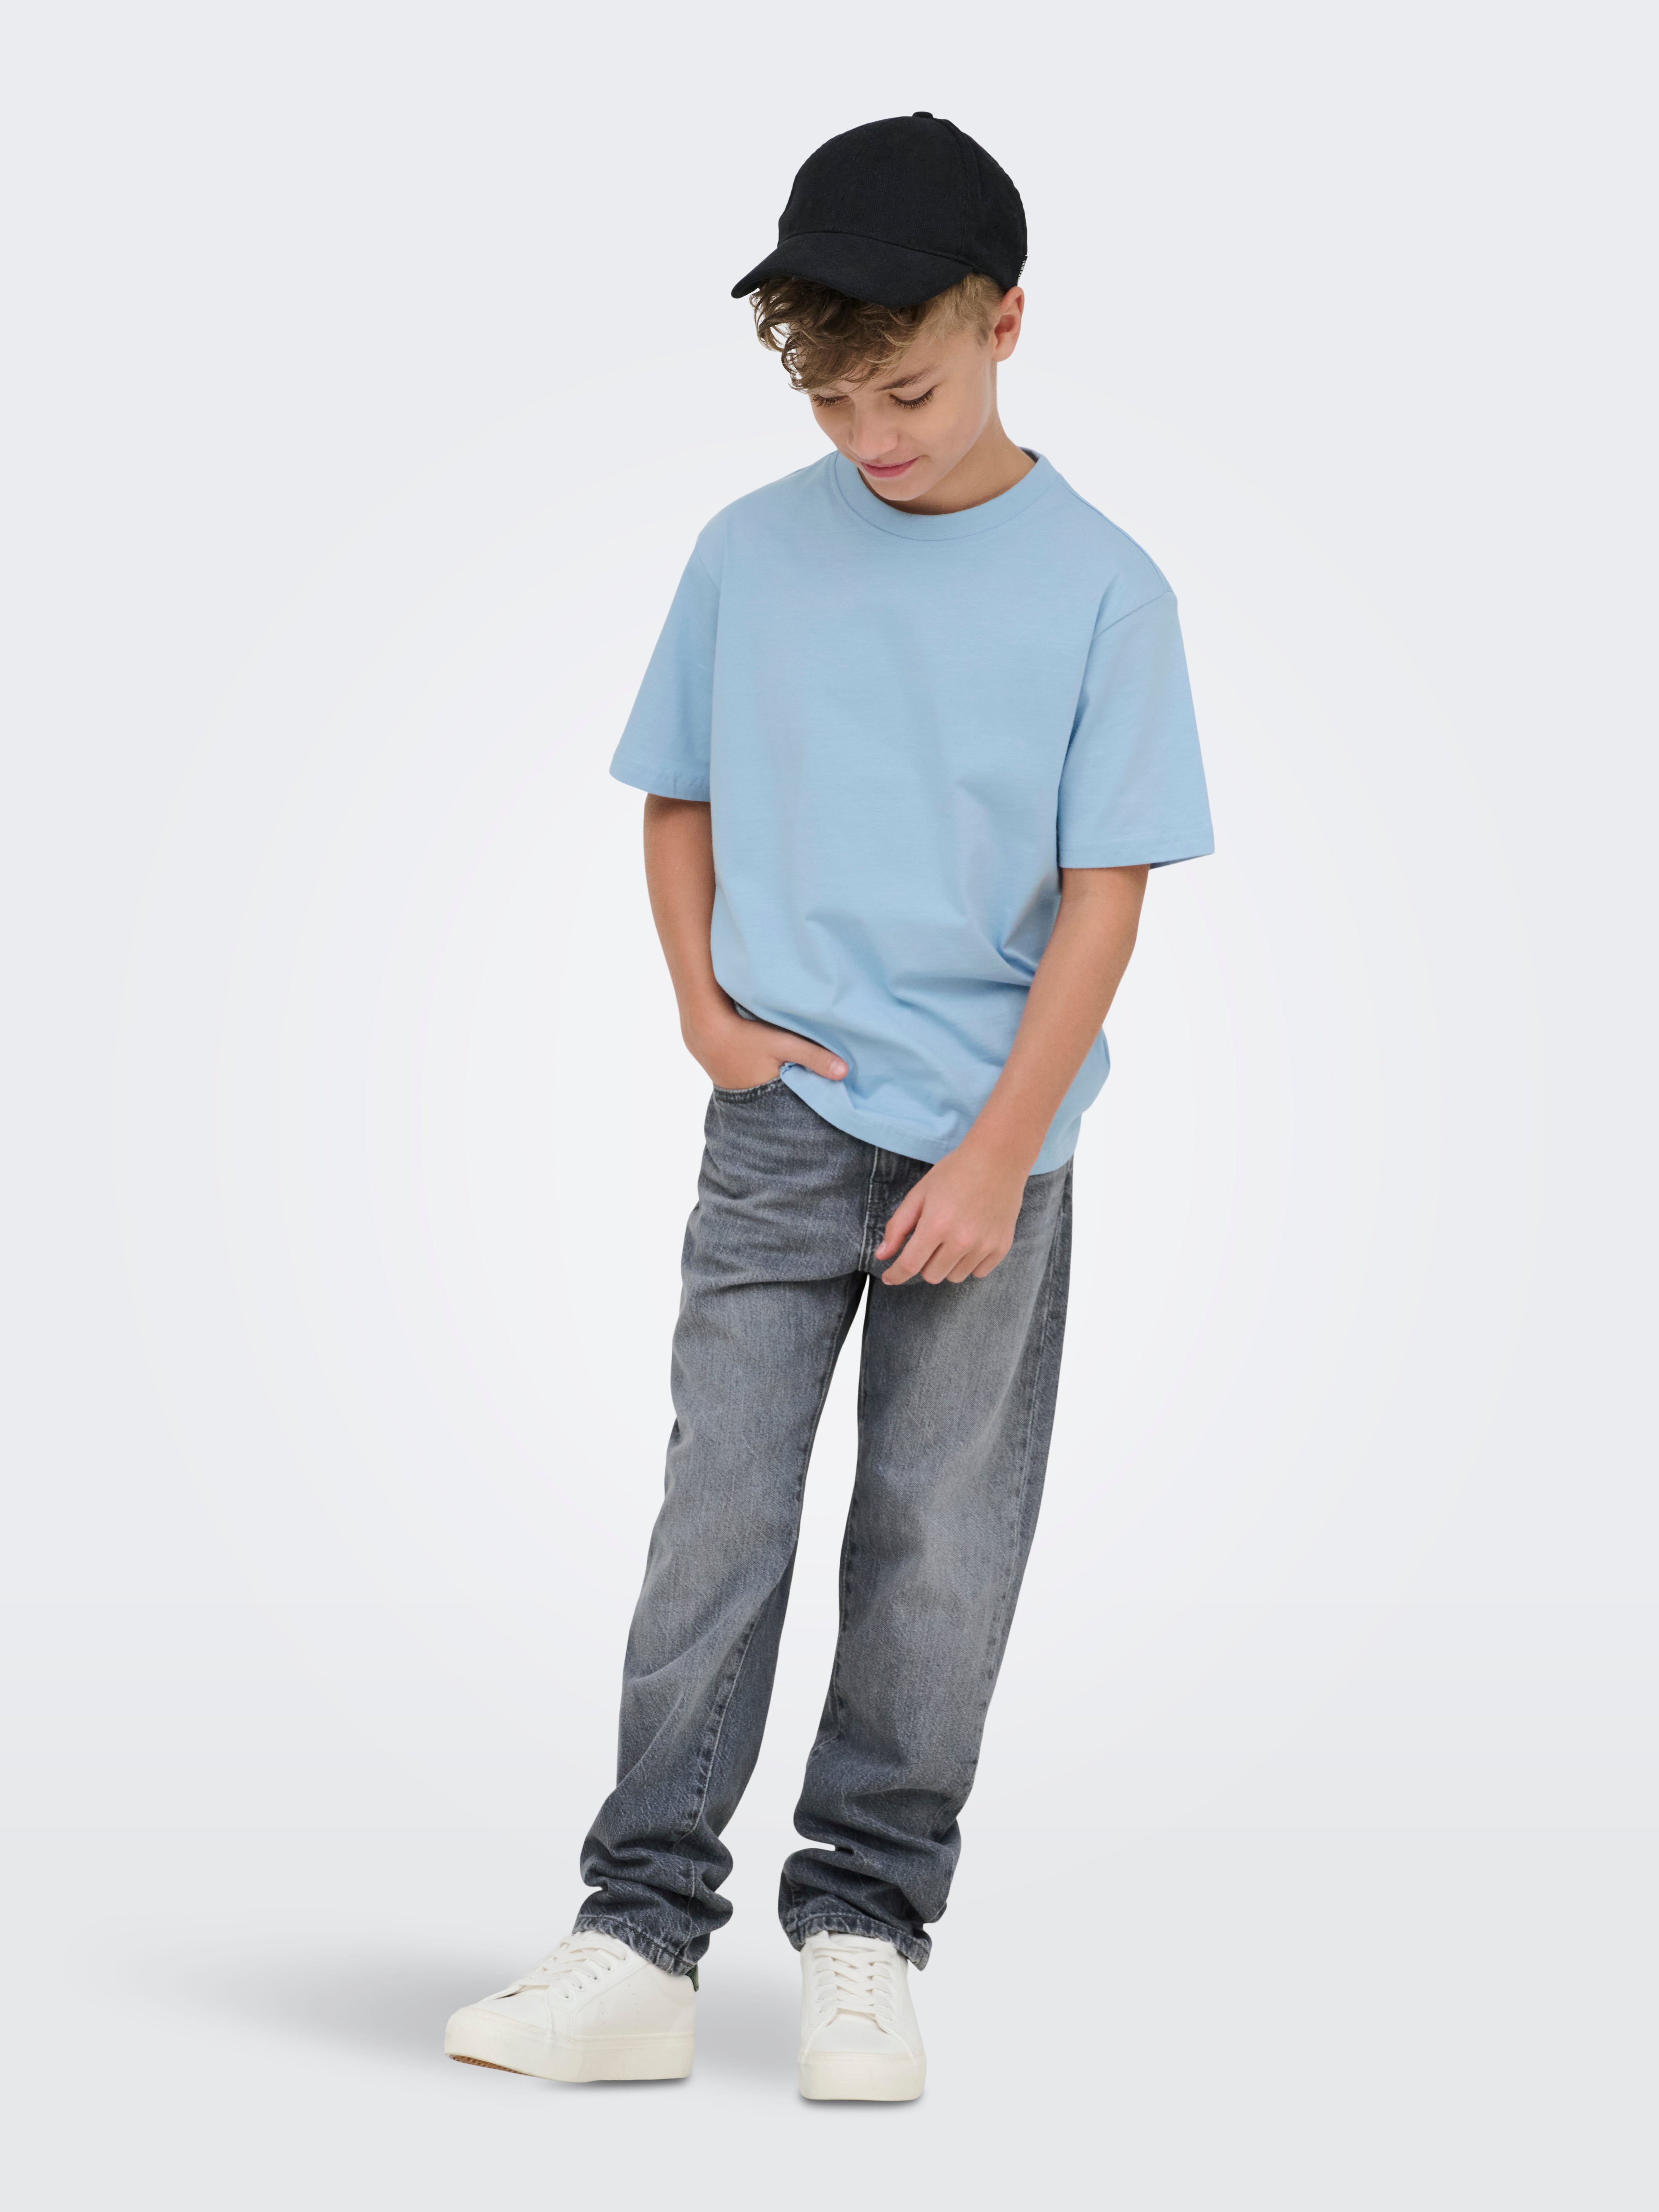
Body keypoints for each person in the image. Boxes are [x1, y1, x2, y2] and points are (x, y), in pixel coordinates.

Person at [444, 111, 1213, 2103]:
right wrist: (703, 1011)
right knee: (719, 1506)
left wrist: (1000, 1147)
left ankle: (866, 1921)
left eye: (911, 392)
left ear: (1006, 325)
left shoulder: (1106, 589)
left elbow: (1108, 891)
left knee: (940, 1535)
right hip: (783, 1116)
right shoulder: (749, 550)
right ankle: (640, 1935)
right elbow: (680, 790)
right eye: (832, 398)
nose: (872, 435)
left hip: (994, 1138)